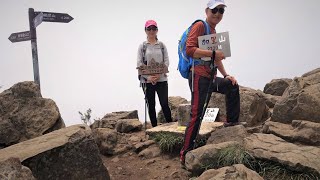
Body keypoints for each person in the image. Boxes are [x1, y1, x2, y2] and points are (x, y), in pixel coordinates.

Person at [180, 0, 240, 165]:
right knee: (196, 115)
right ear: (207, 11)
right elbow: (190, 50)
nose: (218, 14)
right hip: (198, 77)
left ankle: (232, 123)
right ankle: (185, 153)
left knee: (231, 86)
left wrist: (226, 75)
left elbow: (215, 58)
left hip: (210, 76)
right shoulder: (200, 26)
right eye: (215, 10)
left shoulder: (213, 31)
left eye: (221, 11)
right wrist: (214, 54)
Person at [137, 20, 173, 127]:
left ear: (157, 30)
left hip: (162, 79)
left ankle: (171, 126)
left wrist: (159, 75)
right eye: (149, 29)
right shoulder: (142, 46)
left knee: (164, 103)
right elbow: (139, 63)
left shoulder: (161, 45)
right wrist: (148, 77)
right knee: (151, 105)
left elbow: (166, 61)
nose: (151, 31)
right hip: (147, 81)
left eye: (153, 28)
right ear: (145, 31)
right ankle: (154, 128)